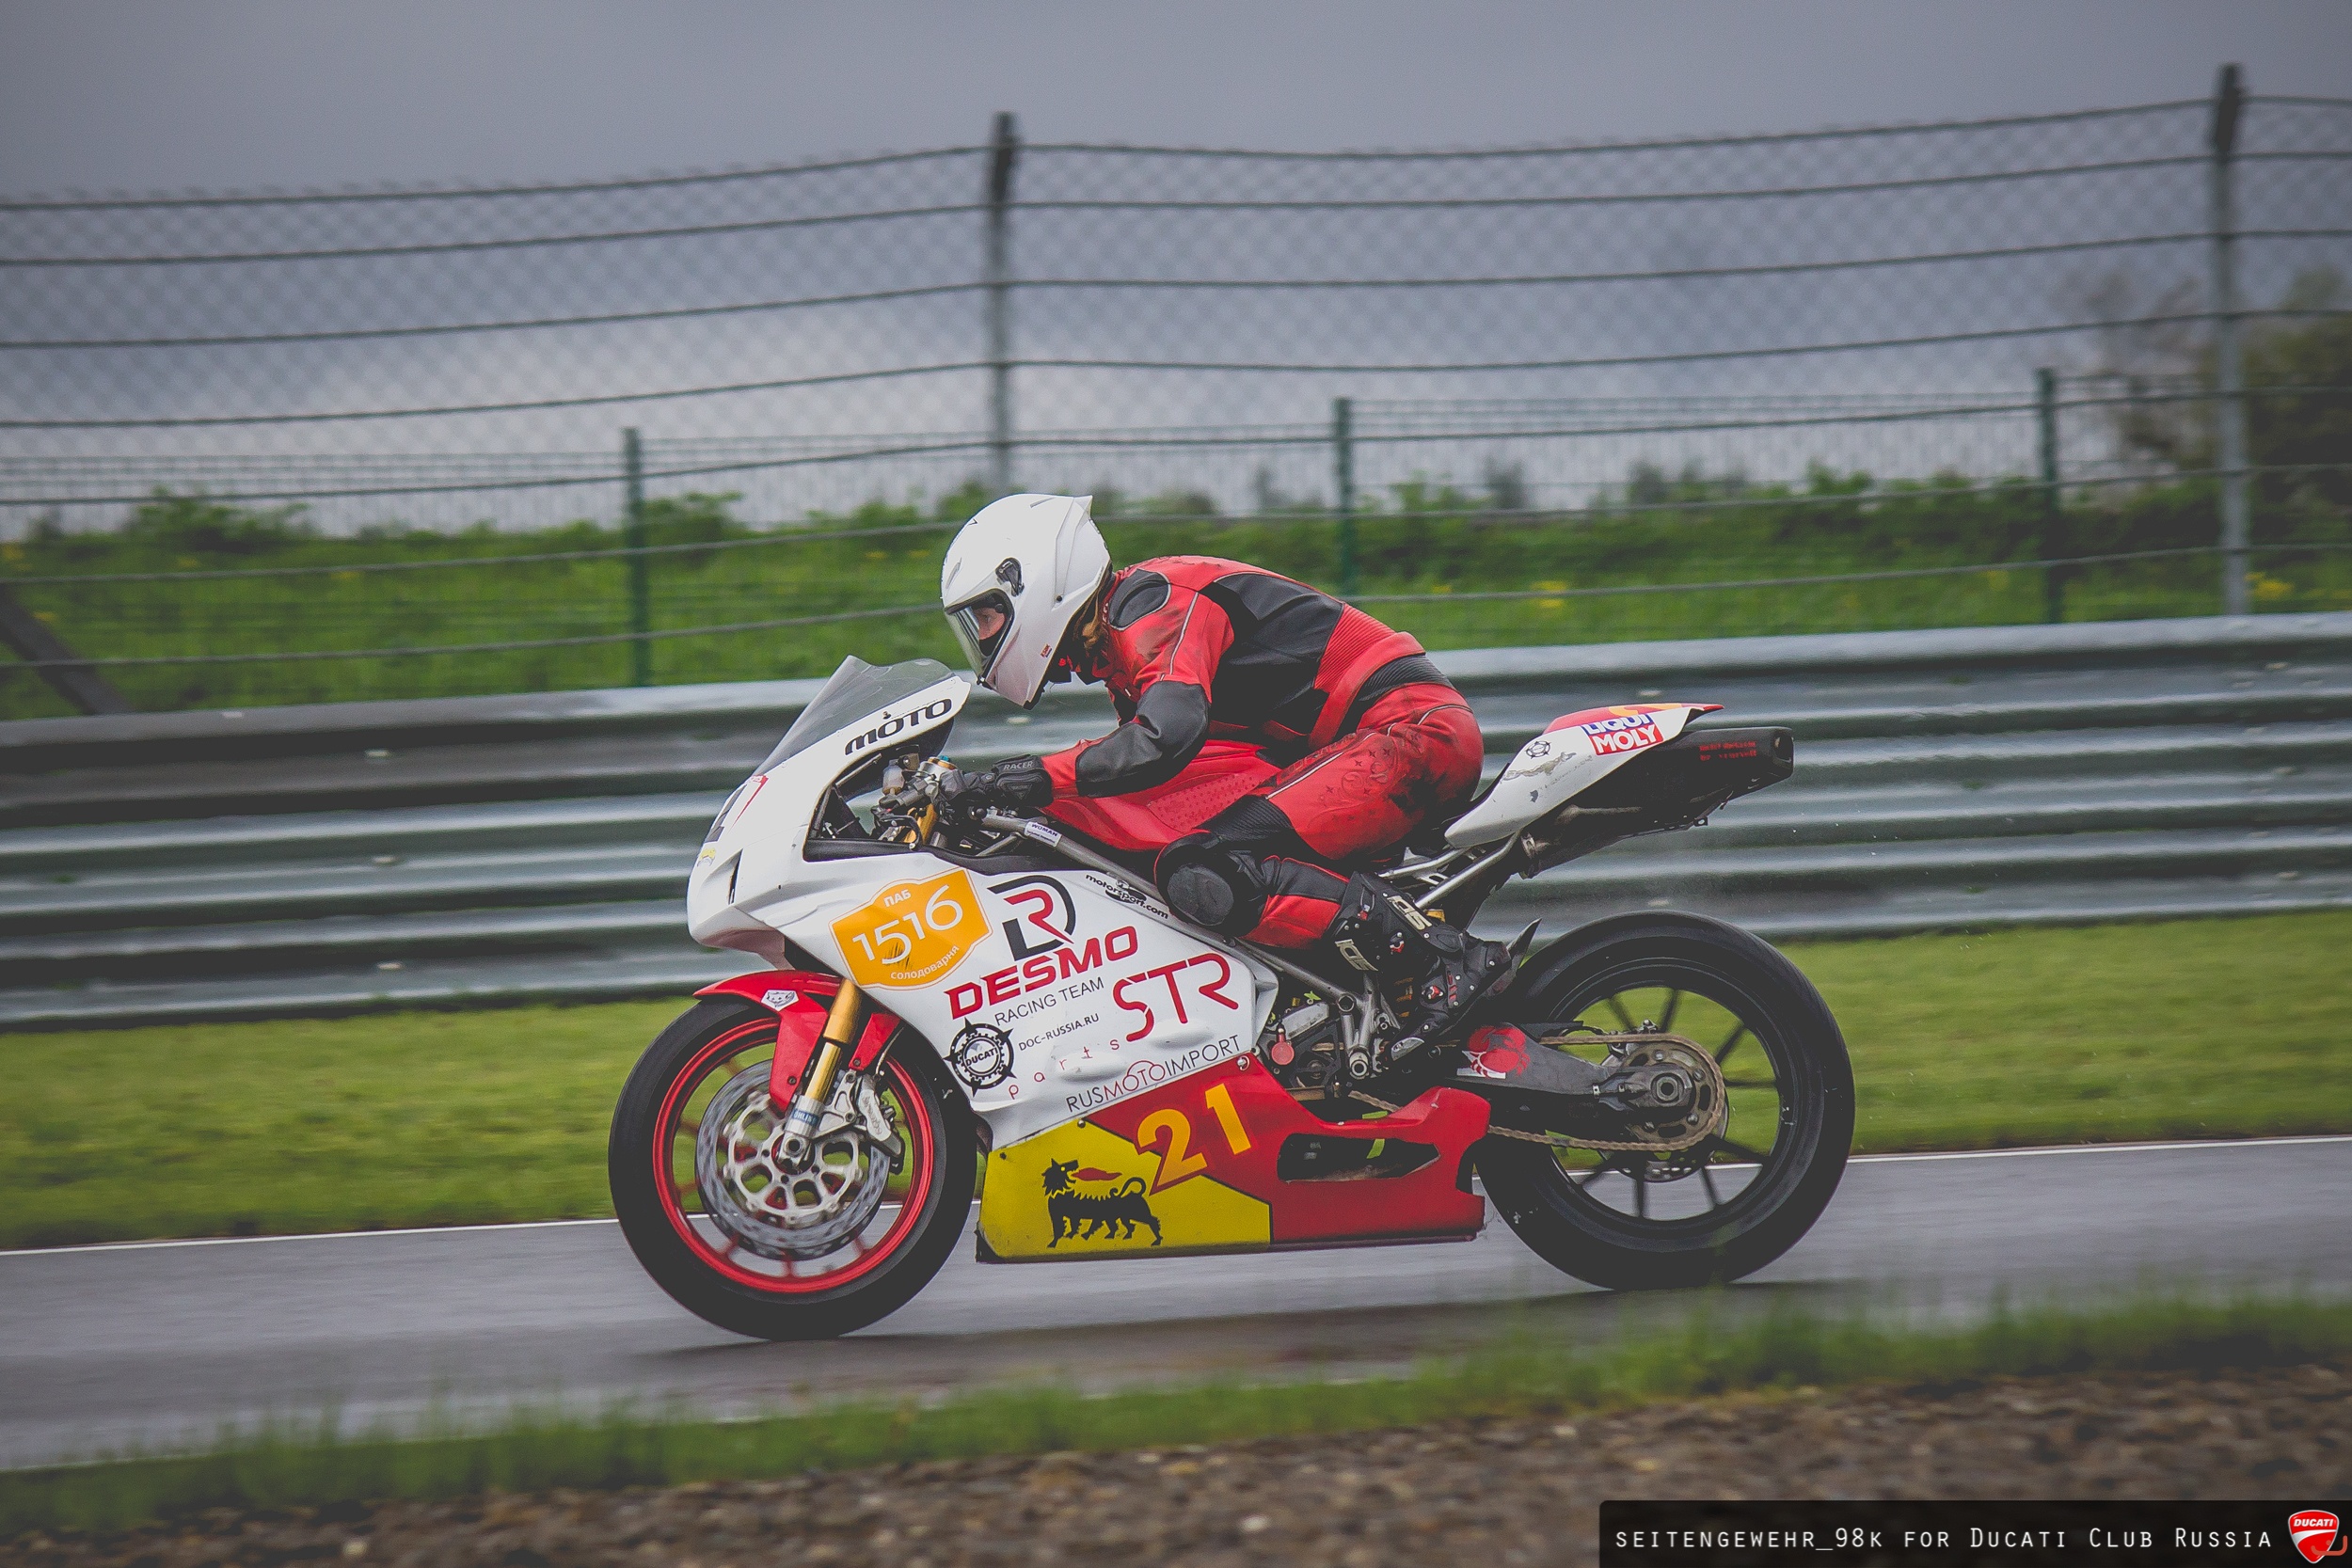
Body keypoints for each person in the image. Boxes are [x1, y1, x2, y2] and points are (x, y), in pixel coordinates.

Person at [937, 492, 1512, 1046]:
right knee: (1177, 858)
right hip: (1362, 747)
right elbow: (1152, 776)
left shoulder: (1154, 604)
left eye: (987, 615)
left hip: (1406, 730)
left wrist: (1028, 778)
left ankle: (1441, 962)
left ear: (1036, 580)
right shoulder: (1121, 648)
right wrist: (1027, 796)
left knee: (1206, 865)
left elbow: (1162, 740)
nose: (983, 637)